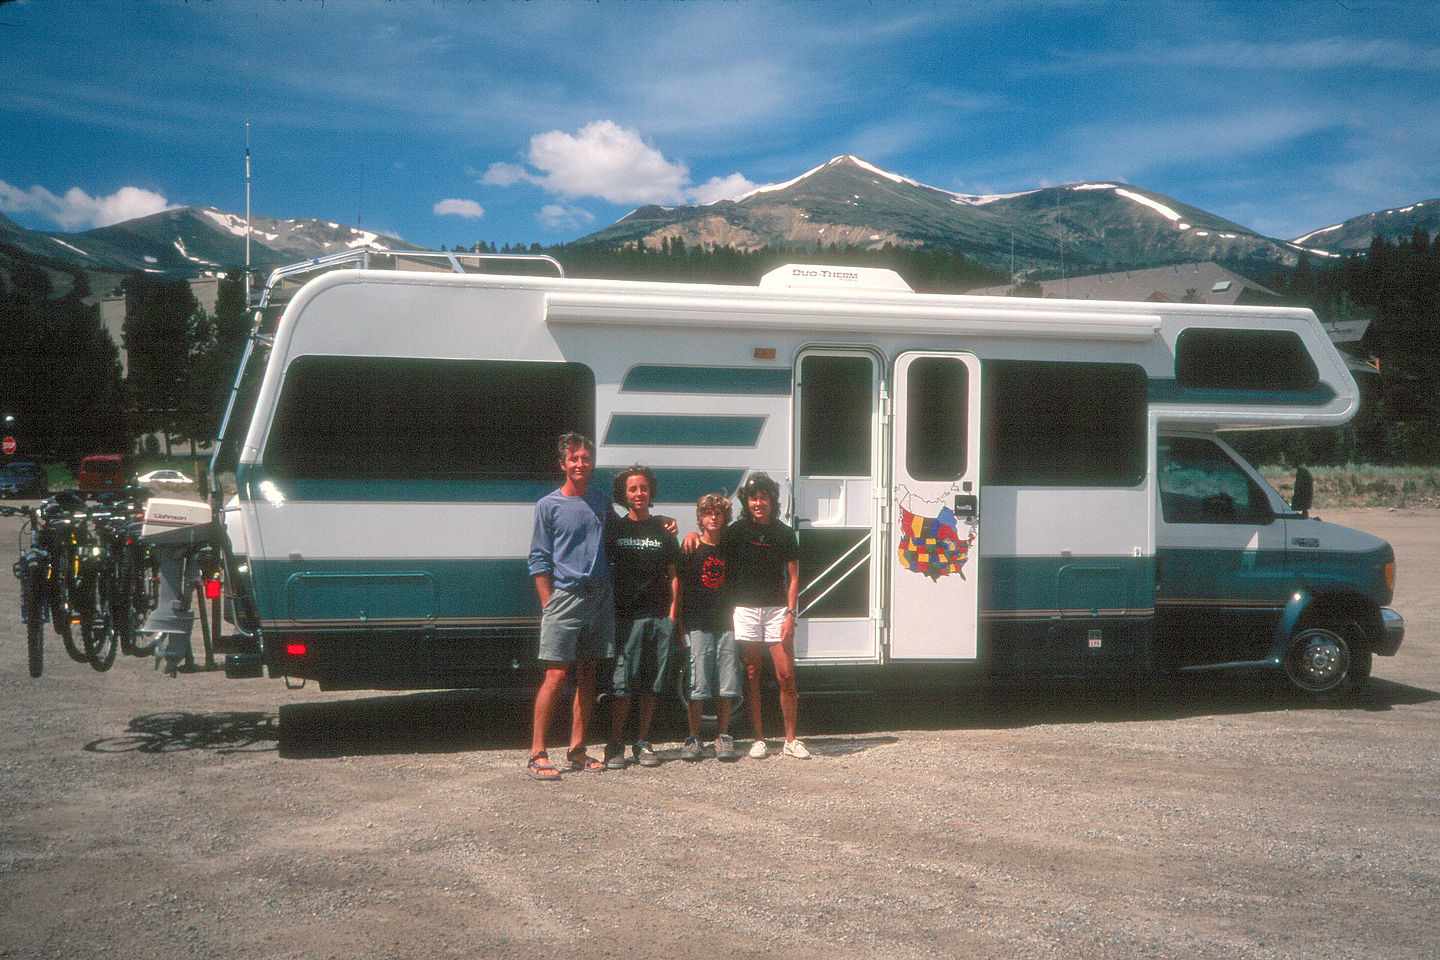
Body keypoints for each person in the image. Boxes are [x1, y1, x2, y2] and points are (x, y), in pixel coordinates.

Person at [525, 433, 614, 781]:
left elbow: (629, 526)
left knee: (589, 676)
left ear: (592, 463)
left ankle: (577, 750)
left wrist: (666, 521)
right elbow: (538, 558)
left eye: (585, 458)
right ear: (563, 464)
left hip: (600, 597)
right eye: (573, 458)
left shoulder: (601, 502)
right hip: (565, 597)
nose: (580, 464)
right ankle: (537, 752)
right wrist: (549, 602)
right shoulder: (548, 505)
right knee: (556, 675)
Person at [720, 473, 808, 760]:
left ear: (772, 500)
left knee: (787, 675)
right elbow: (711, 546)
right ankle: (758, 739)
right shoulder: (736, 531)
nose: (759, 503)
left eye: (764, 497)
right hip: (745, 610)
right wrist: (694, 535)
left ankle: (791, 740)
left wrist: (791, 614)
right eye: (754, 497)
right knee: (753, 674)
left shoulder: (784, 533)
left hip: (777, 611)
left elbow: (794, 577)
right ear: (747, 500)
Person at [604, 465, 681, 769]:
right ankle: (614, 745)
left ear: (651, 492)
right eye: (633, 489)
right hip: (626, 619)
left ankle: (643, 742)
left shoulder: (664, 529)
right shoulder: (616, 529)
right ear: (624, 495)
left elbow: (675, 576)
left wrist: (672, 617)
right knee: (622, 685)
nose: (639, 494)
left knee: (651, 685)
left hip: (659, 618)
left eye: (644, 488)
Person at [678, 494, 742, 762]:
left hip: (726, 624)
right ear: (700, 518)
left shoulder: (731, 548)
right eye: (707, 513)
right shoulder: (691, 549)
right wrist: (680, 624)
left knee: (726, 683)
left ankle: (723, 735)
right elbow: (680, 589)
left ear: (724, 518)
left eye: (718, 513)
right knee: (698, 683)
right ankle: (694, 737)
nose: (713, 517)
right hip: (698, 624)